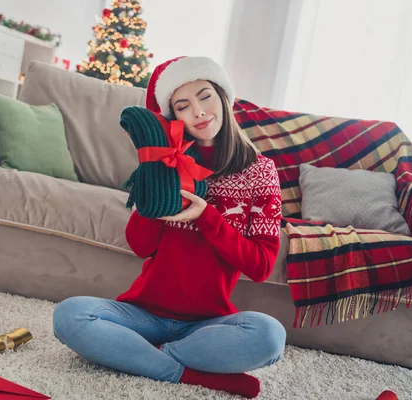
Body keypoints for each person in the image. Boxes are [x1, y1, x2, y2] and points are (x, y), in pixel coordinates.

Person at [52, 56, 286, 399]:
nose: (199, 111)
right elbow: (140, 246)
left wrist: (206, 217)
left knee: (269, 336)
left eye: (205, 96)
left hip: (208, 324)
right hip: (143, 315)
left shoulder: (260, 171)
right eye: (183, 105)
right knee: (70, 315)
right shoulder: (164, 162)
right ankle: (185, 372)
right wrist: (154, 180)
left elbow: (261, 265)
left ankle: (141, 357)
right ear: (172, 116)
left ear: (222, 96)